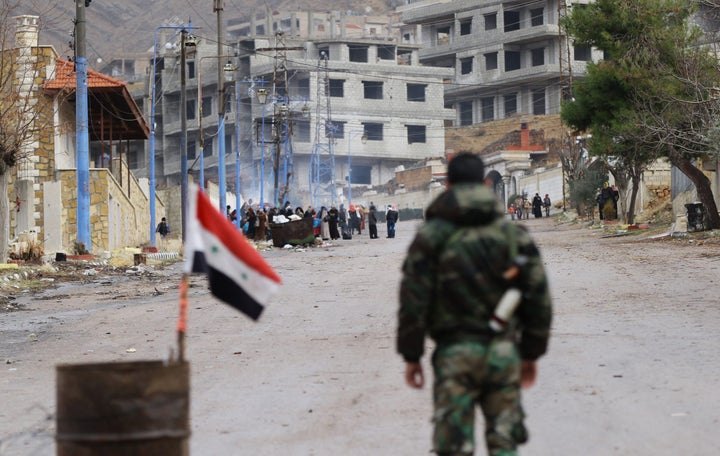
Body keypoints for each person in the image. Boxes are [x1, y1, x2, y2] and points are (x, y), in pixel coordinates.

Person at [397, 153, 552, 456]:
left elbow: (413, 299)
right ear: (484, 183)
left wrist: (412, 355)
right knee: (504, 443)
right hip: (503, 353)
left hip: (453, 355)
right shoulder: (513, 235)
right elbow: (538, 296)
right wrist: (531, 352)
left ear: (448, 185)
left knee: (453, 447)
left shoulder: (430, 237)